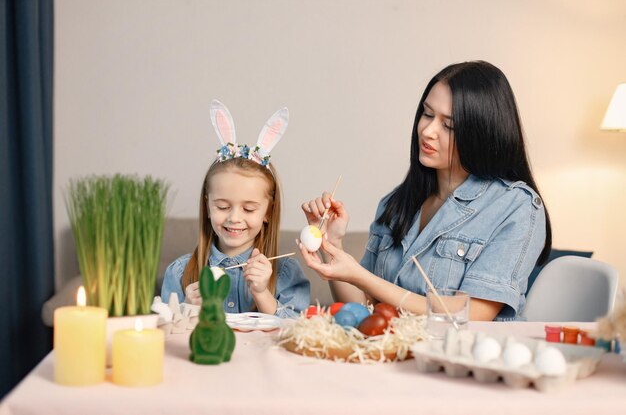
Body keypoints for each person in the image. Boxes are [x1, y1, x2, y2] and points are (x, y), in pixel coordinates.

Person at [299, 61, 551, 321]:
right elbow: (364, 309)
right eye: (427, 114)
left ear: (482, 133)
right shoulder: (396, 203)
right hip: (393, 357)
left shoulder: (516, 207)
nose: (427, 131)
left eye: (449, 125)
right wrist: (331, 244)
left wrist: (362, 277)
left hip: (458, 358)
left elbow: (472, 315)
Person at [162, 100, 310, 318]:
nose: (234, 218)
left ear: (268, 212)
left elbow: (299, 333)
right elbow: (161, 334)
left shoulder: (286, 273)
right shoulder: (180, 272)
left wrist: (262, 294)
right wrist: (186, 310)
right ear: (207, 206)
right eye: (222, 206)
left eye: (249, 209)